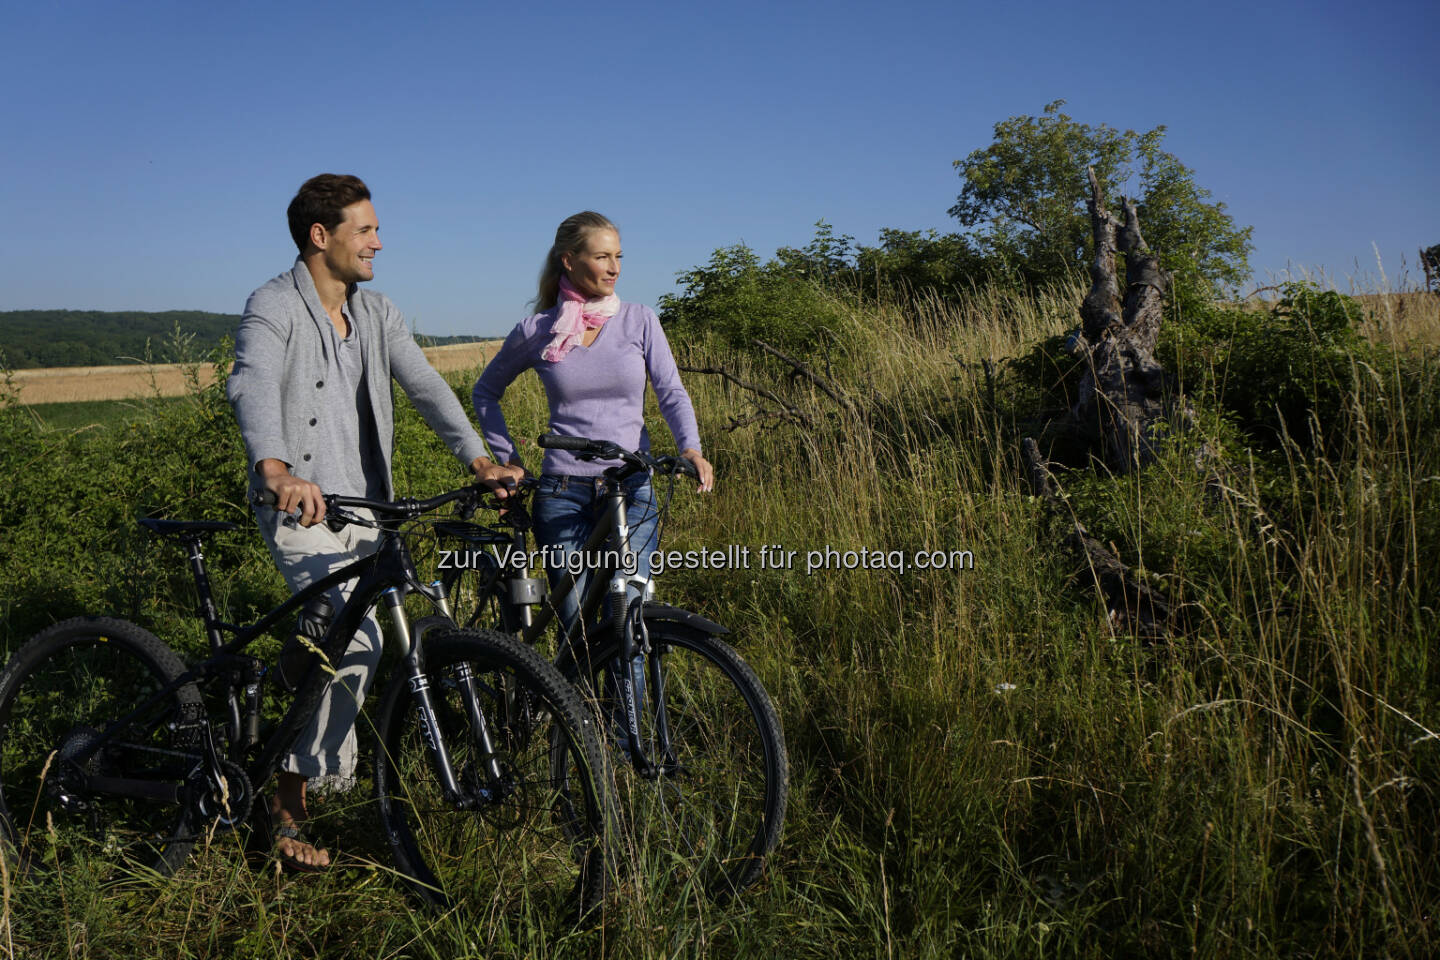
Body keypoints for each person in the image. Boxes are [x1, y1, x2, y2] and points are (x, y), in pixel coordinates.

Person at [227, 173, 513, 870]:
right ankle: (286, 810)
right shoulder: (273, 306)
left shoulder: (377, 312)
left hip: (367, 512)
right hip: (298, 509)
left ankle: (305, 701)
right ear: (320, 236)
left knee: (386, 640)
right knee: (352, 647)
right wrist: (274, 467)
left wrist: (479, 461)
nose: (379, 242)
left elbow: (424, 385)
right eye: (366, 229)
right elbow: (252, 382)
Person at [472, 211, 713, 647]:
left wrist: (691, 449)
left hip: (632, 489)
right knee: (577, 636)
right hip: (562, 492)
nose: (615, 267)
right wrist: (509, 458)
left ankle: (630, 720)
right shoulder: (537, 330)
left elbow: (671, 391)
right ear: (569, 260)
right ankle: (581, 716)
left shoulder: (640, 320)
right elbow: (485, 392)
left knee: (630, 629)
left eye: (618, 256)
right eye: (602, 256)